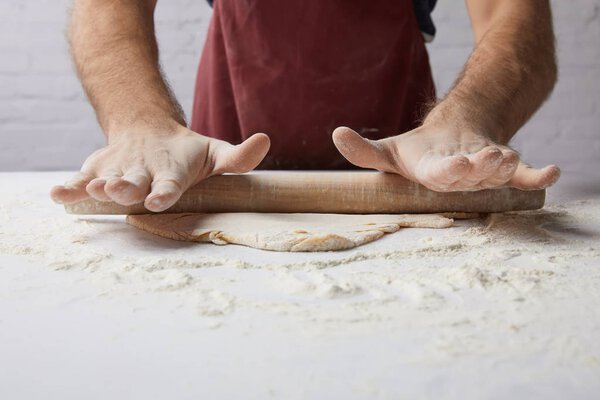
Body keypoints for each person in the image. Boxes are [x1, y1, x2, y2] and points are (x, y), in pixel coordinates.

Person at [51, 0, 561, 212]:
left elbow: (515, 16)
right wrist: (141, 124)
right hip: (222, 161)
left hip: (411, 163)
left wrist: (468, 120)